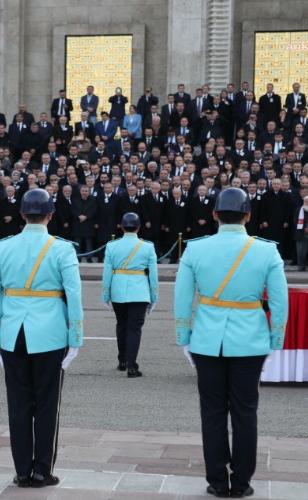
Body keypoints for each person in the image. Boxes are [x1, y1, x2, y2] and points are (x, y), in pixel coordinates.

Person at [174, 188, 288, 498]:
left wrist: (184, 336)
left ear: (214, 215)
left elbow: (183, 298)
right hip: (250, 340)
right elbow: (279, 301)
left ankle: (217, 480)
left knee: (211, 411)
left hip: (207, 340)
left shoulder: (195, 250)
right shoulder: (267, 251)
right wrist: (276, 339)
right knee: (245, 411)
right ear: (248, 216)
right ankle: (241, 481)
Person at [0, 188, 83, 488]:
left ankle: (22, 470)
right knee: (47, 404)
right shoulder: (62, 249)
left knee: (19, 404)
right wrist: (75, 336)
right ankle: (42, 470)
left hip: (14, 333)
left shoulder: (2, 248)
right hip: (50, 333)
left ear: (22, 215)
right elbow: (74, 295)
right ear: (50, 216)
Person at [101, 212, 158, 377]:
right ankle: (132, 366)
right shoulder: (147, 246)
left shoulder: (112, 246)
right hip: (140, 292)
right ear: (138, 227)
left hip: (118, 290)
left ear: (121, 227)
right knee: (134, 329)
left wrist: (106, 295)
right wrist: (154, 297)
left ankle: (122, 360)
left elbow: (106, 273)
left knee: (121, 325)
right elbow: (153, 276)